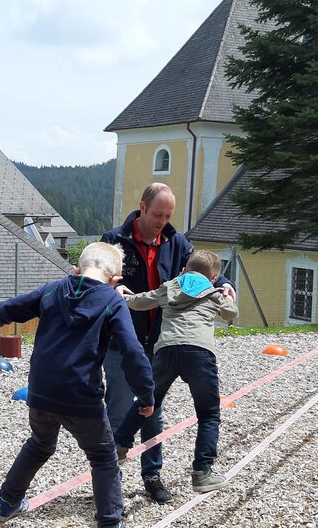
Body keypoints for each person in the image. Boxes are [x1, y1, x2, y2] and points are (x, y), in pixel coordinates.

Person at [0, 242, 155, 528]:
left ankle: (6, 503)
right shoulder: (112, 300)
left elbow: (7, 307)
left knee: (39, 444)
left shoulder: (52, 290)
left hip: (40, 391)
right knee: (103, 457)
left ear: (76, 270)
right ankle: (109, 522)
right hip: (81, 397)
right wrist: (146, 396)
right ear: (115, 279)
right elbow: (133, 353)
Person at [100, 183, 234, 503]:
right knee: (118, 410)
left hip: (158, 342)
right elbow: (97, 279)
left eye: (169, 215)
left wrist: (226, 285)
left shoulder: (178, 242)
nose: (163, 220)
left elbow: (205, 270)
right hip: (120, 342)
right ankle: (108, 480)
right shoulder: (113, 240)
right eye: (158, 214)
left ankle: (152, 476)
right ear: (142, 207)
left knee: (152, 410)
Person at [113, 250, 237, 493]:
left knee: (148, 402)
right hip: (200, 354)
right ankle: (202, 473)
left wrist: (122, 297)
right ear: (213, 278)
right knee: (208, 414)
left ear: (183, 271)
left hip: (166, 351)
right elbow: (231, 314)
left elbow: (140, 302)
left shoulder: (169, 287)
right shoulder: (213, 292)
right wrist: (228, 296)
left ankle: (119, 445)